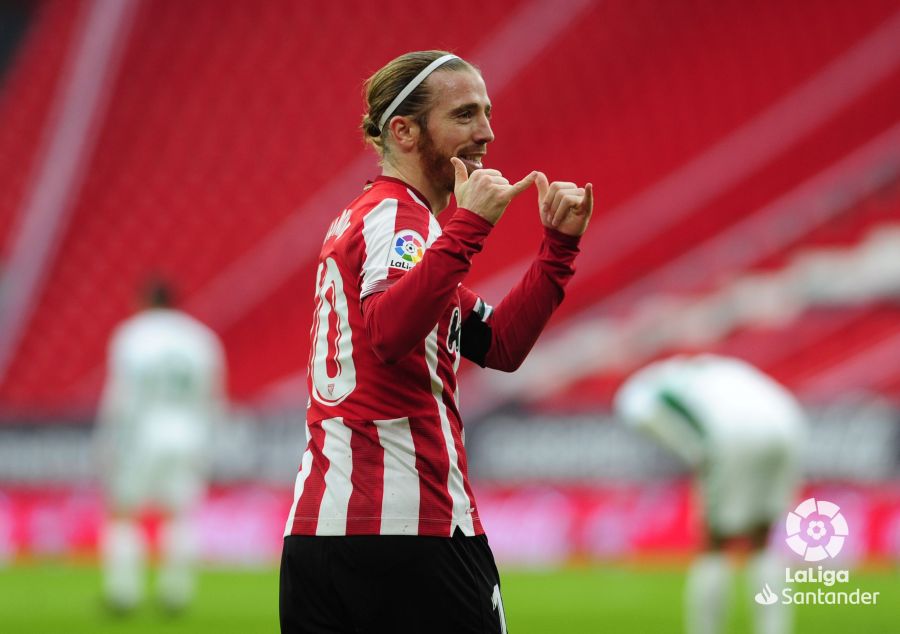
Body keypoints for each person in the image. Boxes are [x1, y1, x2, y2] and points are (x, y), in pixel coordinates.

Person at [279, 50, 593, 633]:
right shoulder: (400, 219)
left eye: (487, 113)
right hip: (412, 532)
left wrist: (558, 250)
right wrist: (469, 228)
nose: (487, 132)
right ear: (404, 131)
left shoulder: (379, 221)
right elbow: (388, 333)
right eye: (465, 114)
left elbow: (497, 343)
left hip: (322, 536)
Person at [614, 354, 807, 634]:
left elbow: (649, 419)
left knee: (714, 543)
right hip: (788, 424)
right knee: (762, 540)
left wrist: (695, 453)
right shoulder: (710, 370)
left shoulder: (641, 394)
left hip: (733, 433)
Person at [95, 278, 227, 614]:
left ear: (142, 301)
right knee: (180, 515)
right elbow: (214, 397)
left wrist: (108, 442)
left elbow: (121, 397)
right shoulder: (200, 339)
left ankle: (123, 594)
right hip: (189, 434)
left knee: (124, 513)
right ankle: (175, 595)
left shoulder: (132, 335)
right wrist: (210, 440)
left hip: (142, 435)